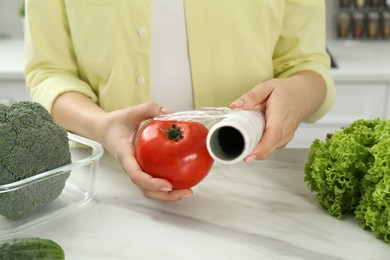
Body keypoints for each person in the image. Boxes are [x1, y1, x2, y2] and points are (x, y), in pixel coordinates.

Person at [24, 0, 336, 201]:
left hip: (253, 187)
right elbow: (49, 72)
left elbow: (305, 64)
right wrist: (102, 126)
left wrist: (297, 94)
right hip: (107, 186)